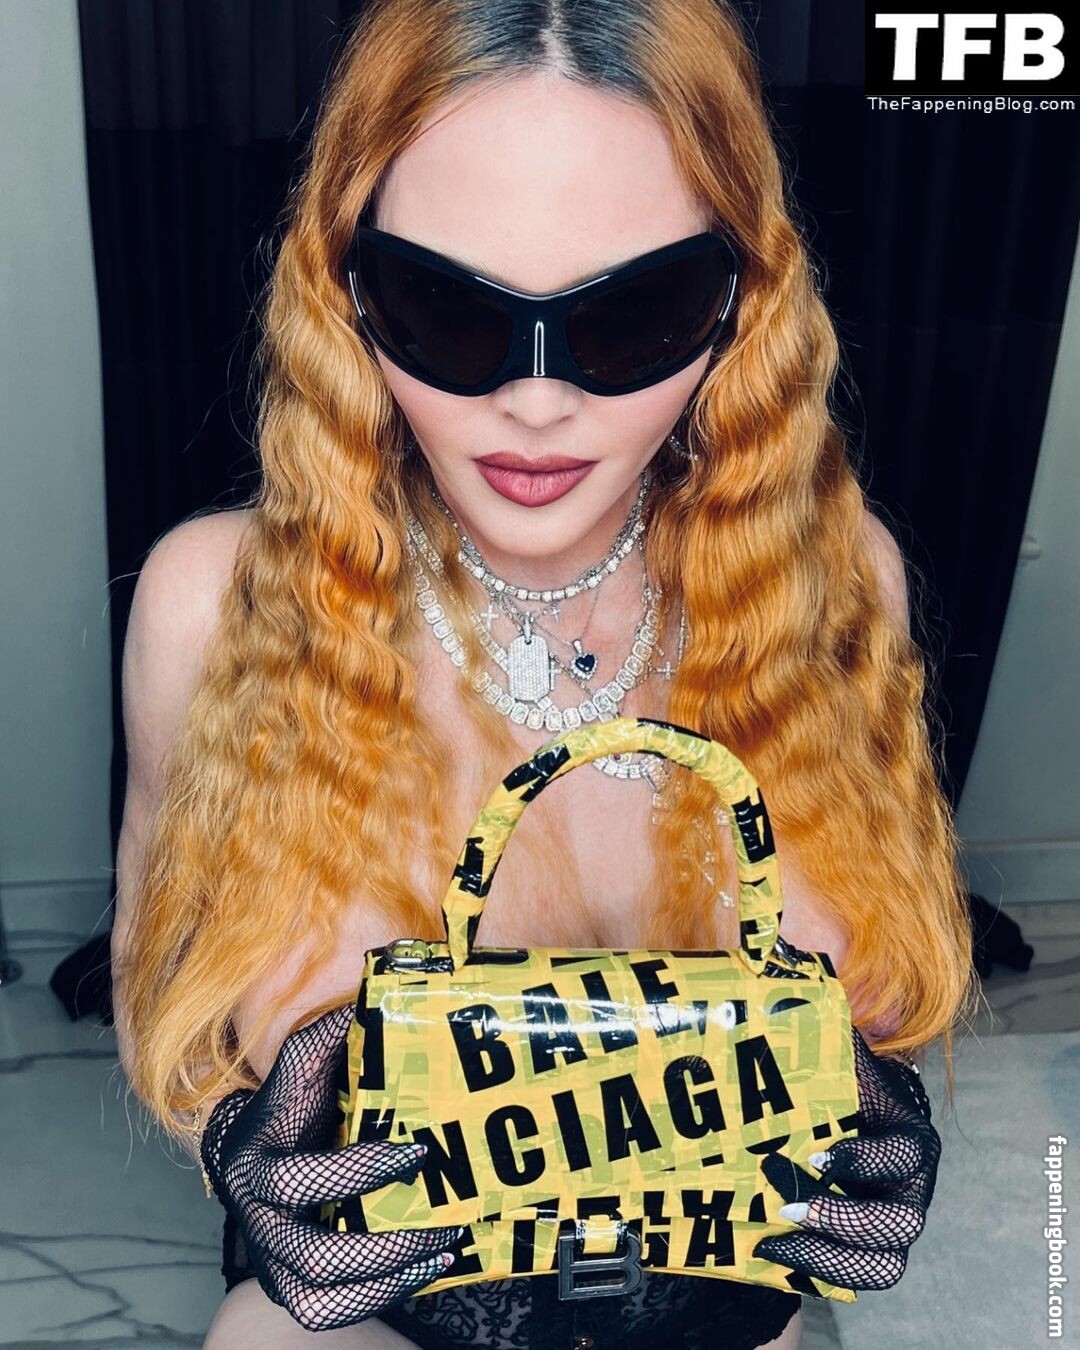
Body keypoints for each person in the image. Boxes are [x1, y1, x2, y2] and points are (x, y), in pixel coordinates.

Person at [111, 1, 976, 1347]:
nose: (535, 401)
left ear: (740, 303)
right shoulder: (213, 612)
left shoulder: (834, 588)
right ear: (345, 289)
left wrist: (868, 1120)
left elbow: (872, 1013)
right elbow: (152, 981)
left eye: (631, 313)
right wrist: (239, 1141)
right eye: (447, 309)